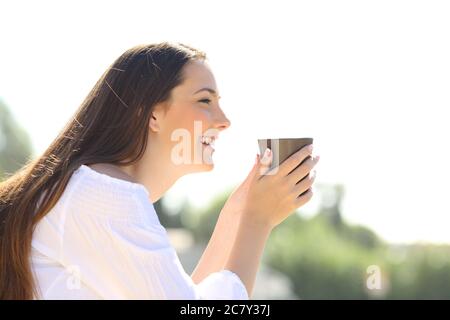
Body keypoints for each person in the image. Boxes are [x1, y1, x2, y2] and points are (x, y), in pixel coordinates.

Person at [0, 42, 319, 299]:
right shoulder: (107, 195)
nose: (224, 120)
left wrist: (236, 215)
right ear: (152, 116)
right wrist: (255, 222)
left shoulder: (91, 190)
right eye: (205, 101)